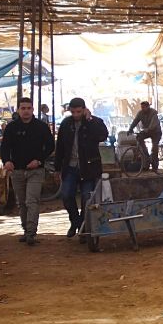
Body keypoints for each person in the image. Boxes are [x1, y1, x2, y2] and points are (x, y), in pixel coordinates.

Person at [0, 97, 55, 245]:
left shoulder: (41, 127)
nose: (26, 111)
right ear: (18, 110)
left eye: (28, 108)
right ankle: (26, 229)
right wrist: (7, 161)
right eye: (23, 108)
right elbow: (4, 147)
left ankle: (31, 232)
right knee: (22, 203)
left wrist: (39, 160)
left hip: (36, 170)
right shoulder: (11, 127)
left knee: (32, 200)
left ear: (32, 109)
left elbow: (50, 145)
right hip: (17, 171)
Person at [54, 97, 109, 238]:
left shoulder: (93, 122)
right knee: (66, 195)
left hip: (89, 168)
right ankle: (75, 221)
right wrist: (57, 168)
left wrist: (90, 120)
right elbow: (60, 147)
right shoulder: (66, 124)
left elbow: (103, 135)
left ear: (84, 109)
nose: (76, 115)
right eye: (73, 112)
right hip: (70, 167)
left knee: (87, 198)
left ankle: (84, 227)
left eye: (79, 112)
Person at [129, 100, 162, 172]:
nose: (142, 109)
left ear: (148, 107)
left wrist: (146, 130)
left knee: (155, 147)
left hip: (156, 132)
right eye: (142, 107)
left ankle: (155, 166)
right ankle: (146, 156)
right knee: (139, 137)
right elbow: (135, 121)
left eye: (144, 107)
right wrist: (130, 129)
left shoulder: (153, 113)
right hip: (146, 131)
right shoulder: (140, 113)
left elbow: (153, 125)